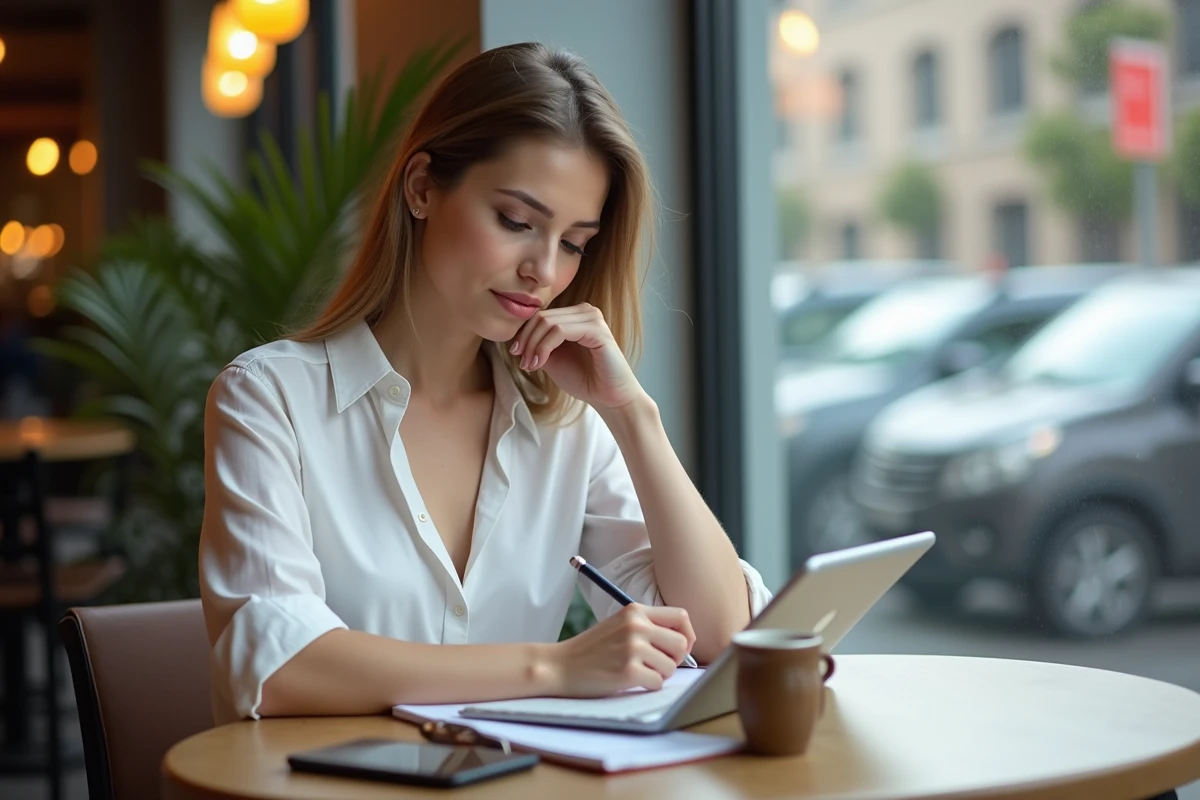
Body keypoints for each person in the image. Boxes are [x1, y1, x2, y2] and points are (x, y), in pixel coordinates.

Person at [199, 41, 772, 725]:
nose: (545, 270)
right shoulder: (270, 399)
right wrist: (554, 667)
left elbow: (723, 638)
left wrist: (633, 415)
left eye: (574, 242)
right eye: (517, 222)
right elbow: (278, 668)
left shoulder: (567, 425)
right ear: (421, 189)